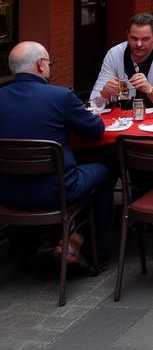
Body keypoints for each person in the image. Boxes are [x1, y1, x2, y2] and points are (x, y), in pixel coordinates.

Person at [0, 41, 114, 263]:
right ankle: (95, 248)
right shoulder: (60, 96)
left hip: (7, 193)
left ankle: (46, 238)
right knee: (106, 168)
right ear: (41, 65)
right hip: (57, 192)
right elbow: (96, 130)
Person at [92, 13, 153, 112]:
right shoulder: (114, 54)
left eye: (145, 39)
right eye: (134, 38)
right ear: (127, 35)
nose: (139, 44)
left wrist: (150, 90)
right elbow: (92, 106)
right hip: (122, 121)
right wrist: (104, 94)